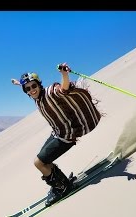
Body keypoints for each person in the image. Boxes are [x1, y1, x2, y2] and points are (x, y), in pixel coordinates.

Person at [11, 63, 102, 206]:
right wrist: (18, 83)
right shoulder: (37, 98)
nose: (31, 90)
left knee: (38, 162)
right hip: (57, 133)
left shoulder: (49, 93)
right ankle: (62, 183)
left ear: (39, 85)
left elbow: (63, 89)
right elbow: (26, 86)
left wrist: (64, 75)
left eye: (33, 86)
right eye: (28, 89)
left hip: (66, 136)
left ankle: (62, 188)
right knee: (44, 161)